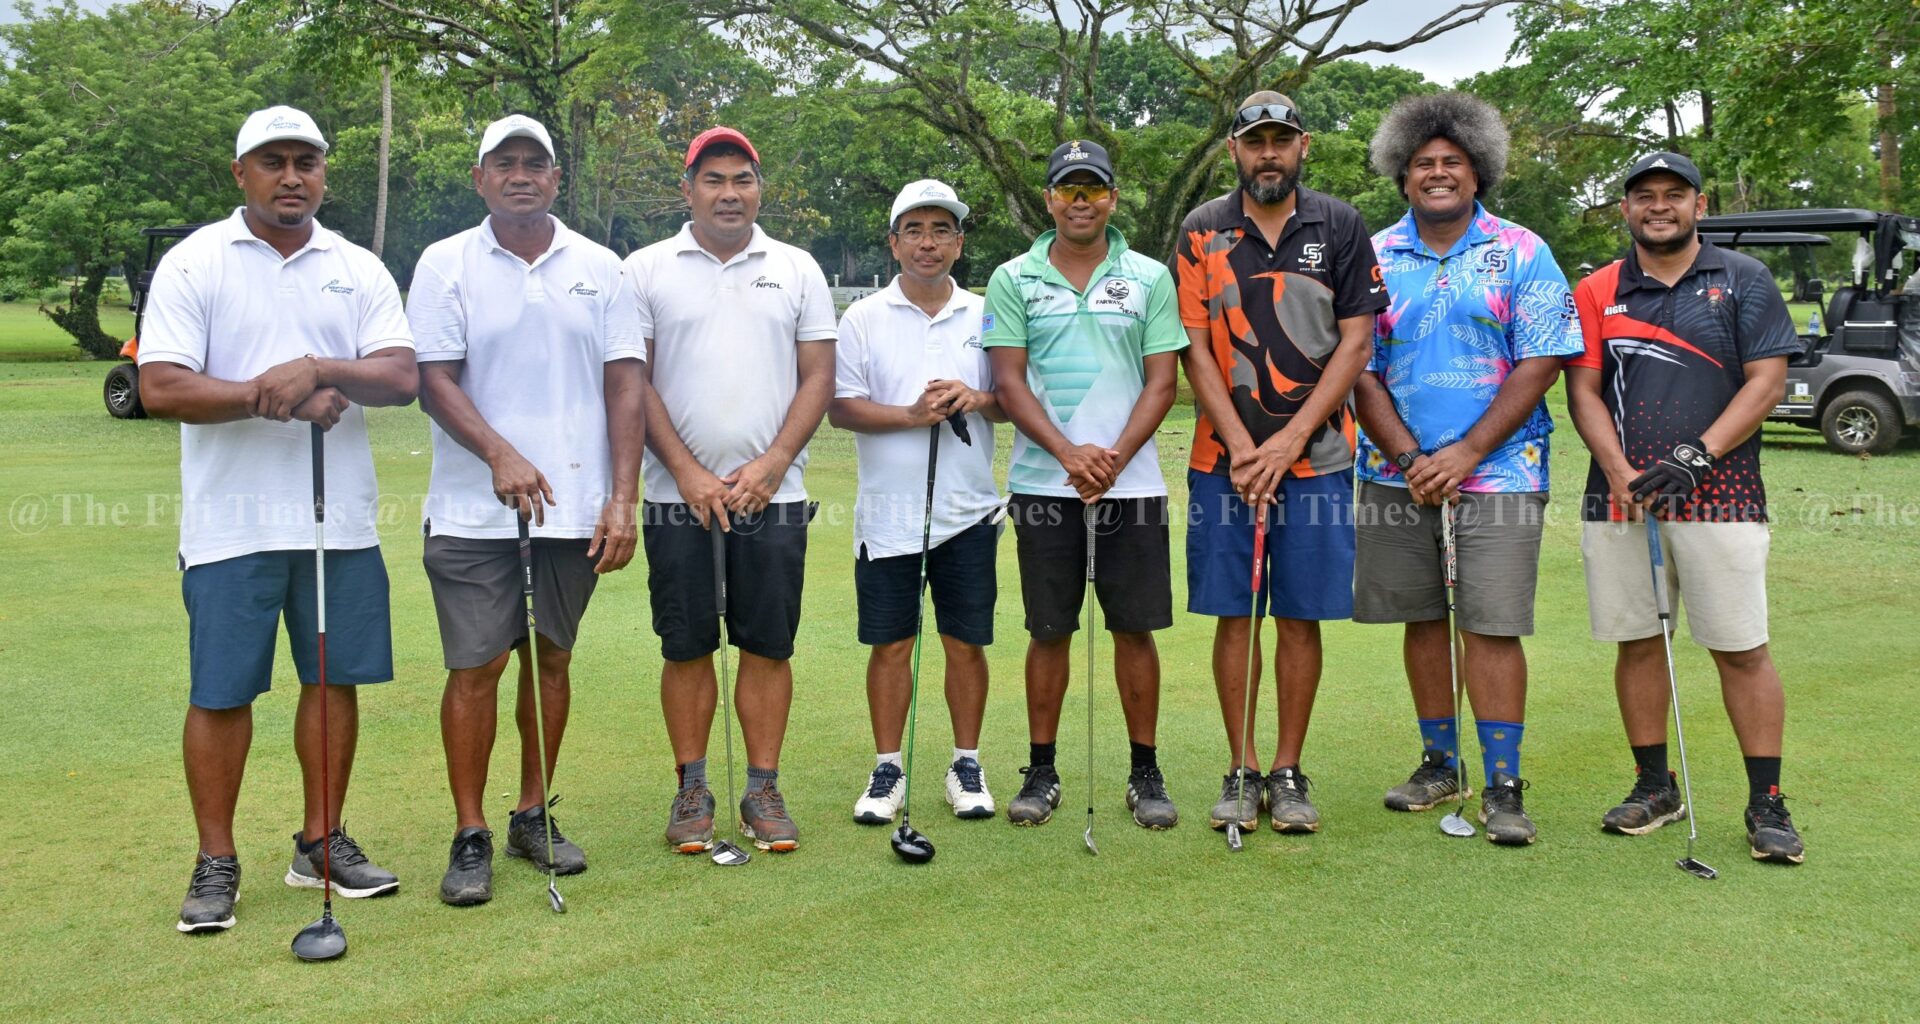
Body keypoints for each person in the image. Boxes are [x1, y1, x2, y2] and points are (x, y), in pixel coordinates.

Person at [138, 106, 418, 934]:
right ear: (241, 173)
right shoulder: (197, 262)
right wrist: (282, 397)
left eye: (307, 161)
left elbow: (399, 376)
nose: (292, 176)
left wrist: (320, 368)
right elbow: (162, 387)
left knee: (333, 683)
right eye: (273, 161)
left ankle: (320, 841)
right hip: (232, 525)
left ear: (325, 173)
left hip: (341, 523)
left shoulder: (357, 266)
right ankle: (216, 859)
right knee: (222, 693)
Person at [408, 115, 646, 904]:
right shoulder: (446, 263)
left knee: (551, 659)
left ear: (555, 178)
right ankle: (471, 830)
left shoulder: (602, 266)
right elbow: (434, 378)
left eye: (534, 163)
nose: (520, 174)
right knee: (477, 665)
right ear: (479, 179)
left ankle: (531, 813)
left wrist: (621, 497)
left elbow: (624, 385)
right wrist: (499, 454)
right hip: (474, 510)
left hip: (574, 508)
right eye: (503, 163)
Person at [1352, 92, 1585, 845]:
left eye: (1453, 162)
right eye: (1423, 164)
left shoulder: (1523, 251)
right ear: (1402, 175)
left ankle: (1505, 784)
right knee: (1423, 619)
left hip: (1501, 473)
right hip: (1397, 474)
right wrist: (1413, 457)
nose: (1438, 173)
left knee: (1490, 624)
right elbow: (1359, 367)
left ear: (1477, 172)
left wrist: (1467, 452)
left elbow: (1542, 359)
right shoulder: (1375, 256)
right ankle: (1440, 763)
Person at [1568, 151, 1806, 865]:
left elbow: (1766, 382)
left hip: (1722, 496)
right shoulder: (1598, 289)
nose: (1660, 206)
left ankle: (1766, 803)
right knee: (1638, 642)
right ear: (1626, 209)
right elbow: (1583, 390)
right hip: (1619, 498)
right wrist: (1618, 469)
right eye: (1645, 195)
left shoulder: (1744, 279)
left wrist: (1693, 458)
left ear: (1700, 205)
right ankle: (1654, 787)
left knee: (1740, 647)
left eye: (1675, 194)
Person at [1171, 92, 1387, 836]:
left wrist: (1288, 443)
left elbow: (1356, 344)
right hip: (1222, 461)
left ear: (1303, 148)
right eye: (1255, 141)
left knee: (1298, 614)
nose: (1269, 153)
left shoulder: (1341, 224)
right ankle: (1241, 764)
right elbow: (1193, 348)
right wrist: (1241, 446)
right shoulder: (1203, 229)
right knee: (1236, 614)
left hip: (1318, 457)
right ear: (1234, 150)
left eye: (1281, 140)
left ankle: (1288, 769)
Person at [623, 127, 836, 854]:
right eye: (713, 180)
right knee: (686, 645)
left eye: (741, 179)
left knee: (767, 645)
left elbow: (818, 377)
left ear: (759, 188)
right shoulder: (646, 269)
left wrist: (775, 461)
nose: (728, 193)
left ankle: (763, 787)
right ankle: (691, 787)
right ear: (687, 190)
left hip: (769, 494)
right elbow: (633, 381)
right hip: (674, 494)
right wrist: (684, 470)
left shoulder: (797, 267)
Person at [984, 139, 1188, 830]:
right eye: (1067, 189)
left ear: (1112, 198)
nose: (1079, 200)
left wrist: (1112, 456)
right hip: (1045, 484)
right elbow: (1008, 382)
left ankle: (1145, 770)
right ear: (1048, 199)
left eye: (1092, 189)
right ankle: (1041, 770)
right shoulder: (1014, 278)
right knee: (1049, 630)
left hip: (1130, 488)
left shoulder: (1151, 277)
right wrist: (1071, 454)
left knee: (1134, 630)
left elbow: (1164, 380)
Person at [830, 180, 1005, 825]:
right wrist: (911, 414)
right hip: (887, 511)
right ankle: (888, 767)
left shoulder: (987, 312)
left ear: (959, 242)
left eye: (941, 230)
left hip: (968, 510)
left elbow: (1015, 399)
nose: (927, 243)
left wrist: (977, 398)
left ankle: (966, 761)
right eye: (914, 230)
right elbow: (840, 408)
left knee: (964, 642)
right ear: (894, 241)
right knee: (891, 644)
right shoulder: (863, 316)